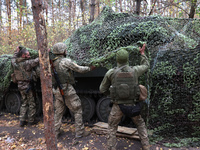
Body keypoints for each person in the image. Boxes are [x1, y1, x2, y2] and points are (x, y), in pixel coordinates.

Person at [99, 43, 150, 150]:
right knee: (140, 124)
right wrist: (142, 54)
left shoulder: (111, 73)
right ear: (127, 59)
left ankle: (111, 147)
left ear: (117, 60)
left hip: (117, 105)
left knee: (112, 126)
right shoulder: (135, 70)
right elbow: (146, 66)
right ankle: (146, 145)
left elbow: (102, 89)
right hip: (133, 105)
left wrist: (112, 95)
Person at [51, 42, 95, 138]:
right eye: (65, 49)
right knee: (78, 108)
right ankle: (80, 132)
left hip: (56, 90)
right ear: (62, 51)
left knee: (58, 111)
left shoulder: (52, 62)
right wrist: (90, 68)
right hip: (66, 89)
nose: (66, 51)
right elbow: (80, 69)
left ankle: (55, 132)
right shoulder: (65, 61)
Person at [12, 46, 40, 127]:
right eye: (27, 55)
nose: (29, 56)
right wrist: (45, 53)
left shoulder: (15, 63)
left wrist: (16, 52)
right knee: (32, 103)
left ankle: (22, 121)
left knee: (24, 103)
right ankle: (31, 121)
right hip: (28, 87)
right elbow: (37, 60)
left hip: (20, 86)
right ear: (23, 56)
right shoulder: (27, 63)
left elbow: (13, 58)